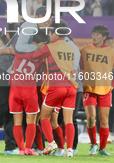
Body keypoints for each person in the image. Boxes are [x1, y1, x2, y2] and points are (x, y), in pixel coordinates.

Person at [18, 22, 78, 157]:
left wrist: (18, 54)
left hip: (56, 85)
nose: (49, 36)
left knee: (44, 117)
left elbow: (33, 56)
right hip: (71, 86)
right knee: (68, 120)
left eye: (50, 33)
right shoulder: (70, 47)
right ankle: (69, 150)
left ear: (55, 33)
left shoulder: (50, 47)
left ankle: (51, 142)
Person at [8, 30, 50, 155]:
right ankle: (28, 148)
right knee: (31, 121)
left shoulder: (18, 51)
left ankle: (21, 150)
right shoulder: (40, 55)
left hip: (14, 89)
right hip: (29, 90)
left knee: (17, 122)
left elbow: (9, 49)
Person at [80, 25, 114, 156]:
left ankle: (102, 149)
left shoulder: (111, 52)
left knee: (104, 119)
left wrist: (112, 84)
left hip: (105, 89)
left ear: (104, 37)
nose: (94, 36)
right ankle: (93, 144)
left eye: (98, 34)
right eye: (93, 34)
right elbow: (80, 68)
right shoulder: (85, 50)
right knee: (90, 117)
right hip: (89, 88)